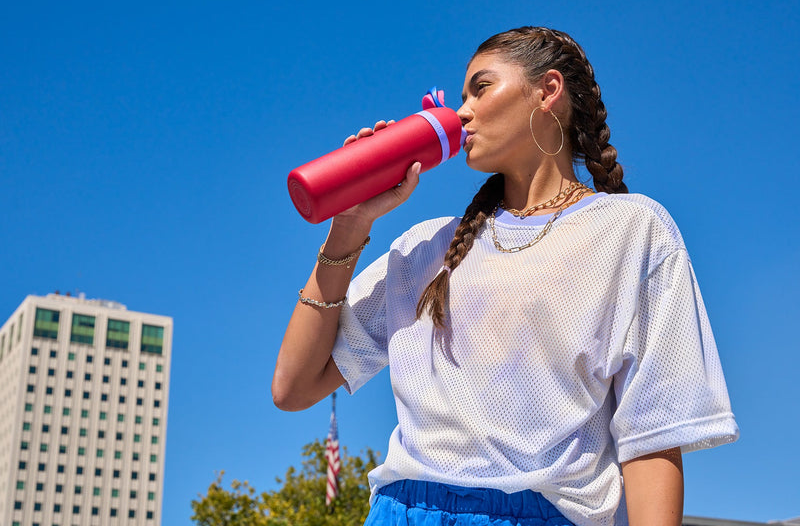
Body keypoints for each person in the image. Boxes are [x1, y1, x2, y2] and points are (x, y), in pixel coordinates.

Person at [272, 26, 739, 526]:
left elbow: (653, 438)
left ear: (548, 91)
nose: (462, 112)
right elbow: (294, 388)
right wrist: (349, 226)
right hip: (401, 512)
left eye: (481, 87)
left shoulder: (631, 230)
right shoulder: (427, 247)